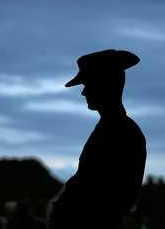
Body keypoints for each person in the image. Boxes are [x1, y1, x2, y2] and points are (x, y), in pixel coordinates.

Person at [48, 49, 147, 229]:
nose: (83, 92)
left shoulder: (120, 132)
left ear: (105, 84)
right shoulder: (113, 129)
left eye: (88, 84)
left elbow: (109, 195)